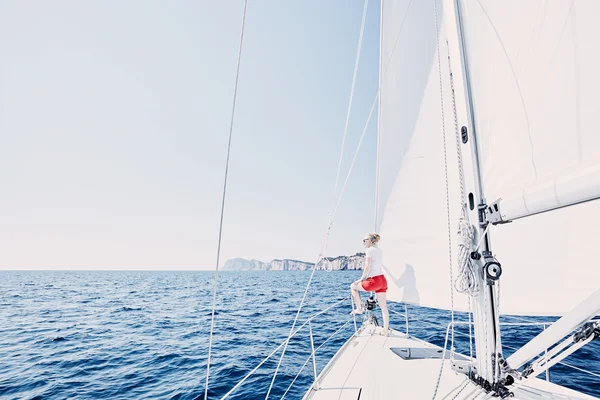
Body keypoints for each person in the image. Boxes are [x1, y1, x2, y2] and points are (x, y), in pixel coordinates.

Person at [350, 232, 389, 336]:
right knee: (384, 307)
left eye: (365, 240)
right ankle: (385, 331)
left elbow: (367, 267)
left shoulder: (369, 250)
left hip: (374, 281)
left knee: (353, 287)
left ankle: (359, 309)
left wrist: (360, 280)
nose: (363, 242)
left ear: (371, 240)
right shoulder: (379, 251)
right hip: (382, 280)